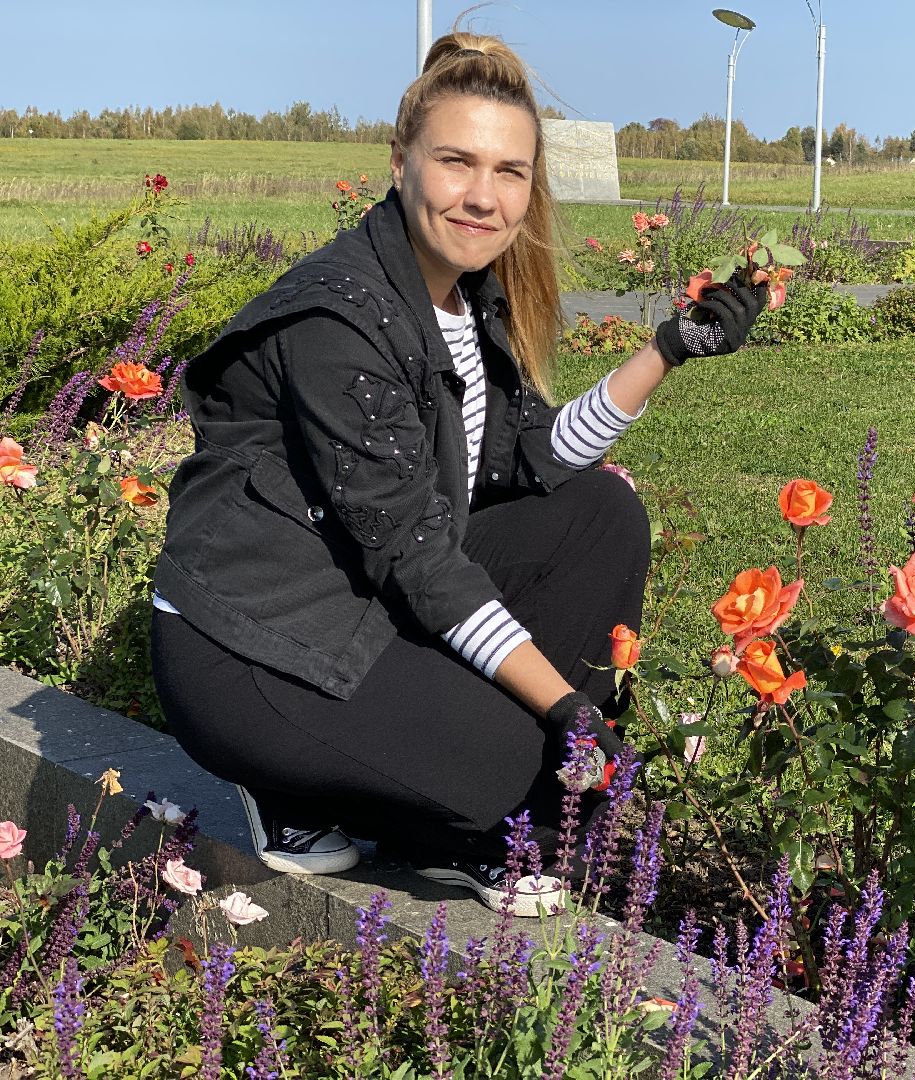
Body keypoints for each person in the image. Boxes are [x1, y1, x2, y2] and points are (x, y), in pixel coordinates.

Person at [150, 30, 767, 914]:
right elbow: (421, 563)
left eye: (510, 171)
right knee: (511, 760)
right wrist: (567, 713)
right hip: (250, 638)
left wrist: (668, 349)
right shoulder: (340, 319)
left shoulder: (458, 299)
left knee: (599, 513)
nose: (483, 197)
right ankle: (300, 788)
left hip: (350, 591)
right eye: (455, 162)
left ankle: (498, 820)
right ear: (400, 164)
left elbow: (534, 461)